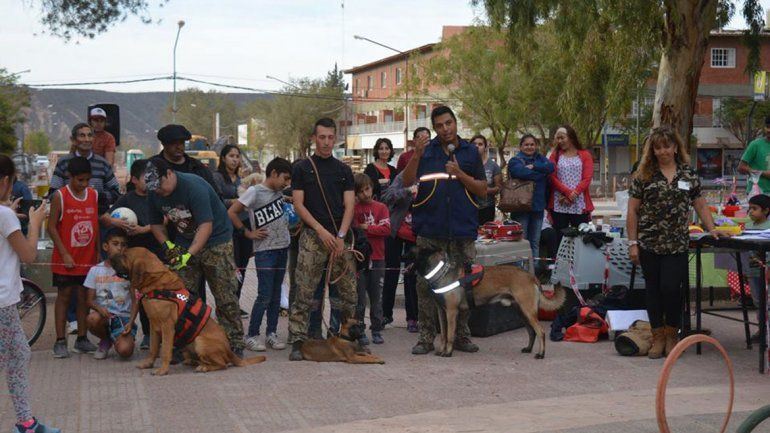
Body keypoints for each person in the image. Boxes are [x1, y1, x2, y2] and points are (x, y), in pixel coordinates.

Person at [627, 126, 722, 359]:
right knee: (653, 290)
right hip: (649, 243)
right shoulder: (643, 175)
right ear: (652, 150)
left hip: (677, 244)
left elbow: (700, 204)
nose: (663, 151)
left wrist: (712, 228)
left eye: (667, 146)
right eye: (658, 147)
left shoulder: (688, 174)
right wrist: (632, 243)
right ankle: (657, 336)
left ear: (676, 148)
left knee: (671, 289)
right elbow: (632, 210)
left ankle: (672, 333)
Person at [401, 105, 487, 355]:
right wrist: (416, 155)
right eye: (439, 125)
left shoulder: (470, 152)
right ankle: (426, 338)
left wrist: (460, 173)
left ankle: (461, 336)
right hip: (430, 230)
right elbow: (406, 181)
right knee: (425, 286)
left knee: (465, 286)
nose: (445, 129)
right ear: (434, 128)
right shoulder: (426, 152)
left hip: (462, 229)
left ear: (455, 123)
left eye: (449, 123)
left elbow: (483, 190)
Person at [144, 158, 245, 356]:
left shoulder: (193, 187)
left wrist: (188, 255)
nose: (159, 192)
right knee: (182, 295)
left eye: (161, 186)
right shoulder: (154, 192)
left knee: (224, 294)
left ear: (170, 173)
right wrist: (169, 246)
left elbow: (206, 226)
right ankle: (185, 342)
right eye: (154, 189)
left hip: (216, 240)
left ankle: (234, 341)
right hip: (184, 240)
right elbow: (155, 224)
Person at [287, 117, 357, 361]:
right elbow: (298, 204)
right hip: (312, 237)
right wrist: (320, 230)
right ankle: (298, 340)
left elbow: (350, 205)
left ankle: (350, 337)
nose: (326, 142)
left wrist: (341, 236)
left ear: (335, 138)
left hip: (339, 238)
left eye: (330, 137)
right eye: (322, 137)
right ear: (314, 138)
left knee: (348, 293)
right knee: (304, 290)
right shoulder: (302, 168)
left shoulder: (344, 170)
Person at [0, 155, 61, 433]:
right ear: (5, 181)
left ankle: (26, 422)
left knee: (19, 354)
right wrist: (36, 223)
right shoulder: (5, 216)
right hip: (3, 301)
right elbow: (28, 254)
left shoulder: (5, 214)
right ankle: (26, 423)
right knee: (16, 356)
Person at [228, 157, 293, 352]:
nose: (287, 183)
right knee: (264, 295)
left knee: (276, 294)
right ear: (273, 173)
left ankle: (271, 333)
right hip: (265, 251)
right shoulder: (254, 192)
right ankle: (252, 335)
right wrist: (247, 233)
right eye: (285, 178)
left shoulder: (280, 193)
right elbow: (232, 212)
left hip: (283, 248)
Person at [100, 159, 158, 350]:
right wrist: (117, 223)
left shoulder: (157, 196)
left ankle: (158, 333)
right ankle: (144, 333)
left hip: (157, 254)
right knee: (139, 294)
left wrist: (143, 229)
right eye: (146, 177)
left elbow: (166, 219)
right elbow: (106, 217)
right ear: (134, 179)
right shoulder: (127, 199)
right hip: (134, 257)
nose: (151, 181)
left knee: (156, 294)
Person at [47, 156, 99, 358]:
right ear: (70, 176)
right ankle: (60, 341)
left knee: (84, 297)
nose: (84, 184)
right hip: (66, 260)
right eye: (80, 180)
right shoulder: (60, 196)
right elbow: (51, 227)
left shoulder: (93, 195)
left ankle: (82, 339)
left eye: (87, 180)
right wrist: (65, 253)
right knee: (64, 296)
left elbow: (95, 225)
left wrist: (97, 253)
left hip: (87, 259)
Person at [382, 128, 430, 327]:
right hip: (396, 231)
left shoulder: (432, 172)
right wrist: (408, 191)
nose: (423, 143)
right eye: (420, 139)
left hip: (417, 232)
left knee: (412, 276)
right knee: (391, 272)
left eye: (427, 140)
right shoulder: (404, 173)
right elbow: (387, 196)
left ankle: (413, 318)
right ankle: (385, 315)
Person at [84, 228, 138, 360]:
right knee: (92, 319)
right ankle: (106, 339)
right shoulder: (95, 270)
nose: (119, 248)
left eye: (123, 245)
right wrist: (99, 308)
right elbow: (89, 300)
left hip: (124, 319)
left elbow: (135, 300)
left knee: (125, 351)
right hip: (104, 317)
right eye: (115, 244)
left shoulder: (130, 270)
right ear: (105, 246)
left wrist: (131, 322)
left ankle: (122, 338)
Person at [49, 123, 121, 216]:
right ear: (73, 140)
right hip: (70, 216)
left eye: (90, 135)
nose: (87, 139)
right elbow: (53, 193)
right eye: (82, 136)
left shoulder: (103, 163)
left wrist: (95, 196)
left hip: (99, 216)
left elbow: (116, 193)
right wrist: (74, 197)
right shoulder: (63, 162)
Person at [214, 144, 252, 315]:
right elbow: (216, 201)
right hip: (227, 228)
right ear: (223, 158)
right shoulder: (217, 178)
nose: (235, 159)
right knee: (230, 267)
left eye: (237, 156)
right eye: (231, 156)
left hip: (244, 226)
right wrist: (236, 201)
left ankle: (235, 302)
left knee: (242, 266)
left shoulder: (241, 179)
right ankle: (225, 305)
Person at [353, 173, 390, 345]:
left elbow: (386, 230)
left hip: (377, 257)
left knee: (376, 297)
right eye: (361, 191)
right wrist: (368, 229)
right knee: (360, 299)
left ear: (372, 187)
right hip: (360, 259)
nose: (365, 194)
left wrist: (366, 227)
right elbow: (354, 229)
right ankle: (359, 330)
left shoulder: (381, 207)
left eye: (367, 189)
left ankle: (376, 329)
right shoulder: (354, 208)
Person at [547, 125, 594, 255]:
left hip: (579, 203)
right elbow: (552, 177)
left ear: (571, 137)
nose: (560, 141)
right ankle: (559, 264)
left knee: (581, 236)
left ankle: (580, 264)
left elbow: (587, 178)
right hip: (559, 203)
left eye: (562, 137)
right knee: (560, 237)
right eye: (557, 138)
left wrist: (574, 194)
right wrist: (568, 193)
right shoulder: (555, 155)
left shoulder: (585, 155)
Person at [508, 134, 555, 259]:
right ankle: (521, 270)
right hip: (520, 207)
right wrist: (541, 174)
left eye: (532, 144)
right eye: (526, 144)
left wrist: (535, 166)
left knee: (535, 242)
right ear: (521, 146)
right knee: (521, 242)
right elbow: (520, 172)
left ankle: (534, 269)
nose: (529, 147)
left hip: (538, 207)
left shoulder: (540, 159)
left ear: (536, 146)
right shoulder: (515, 161)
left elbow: (551, 167)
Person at [150, 124, 221, 196]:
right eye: (173, 143)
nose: (178, 147)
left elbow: (215, 195)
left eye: (181, 142)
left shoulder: (198, 168)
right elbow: (148, 195)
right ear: (164, 144)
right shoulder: (152, 166)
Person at [744, 194, 770, 342]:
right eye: (749, 208)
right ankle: (762, 329)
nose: (751, 212)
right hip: (753, 270)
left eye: (754, 208)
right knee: (758, 301)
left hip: (767, 269)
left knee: (768, 300)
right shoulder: (748, 226)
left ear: (766, 210)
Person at [471, 134, 502, 224]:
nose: (477, 146)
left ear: (485, 147)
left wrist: (483, 190)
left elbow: (498, 188)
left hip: (486, 207)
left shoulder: (493, 166)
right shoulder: (466, 164)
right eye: (474, 144)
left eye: (480, 144)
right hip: (469, 206)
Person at [738, 116, 770, 194]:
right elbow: (741, 168)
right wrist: (761, 173)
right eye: (767, 127)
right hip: (757, 193)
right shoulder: (755, 144)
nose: (769, 130)